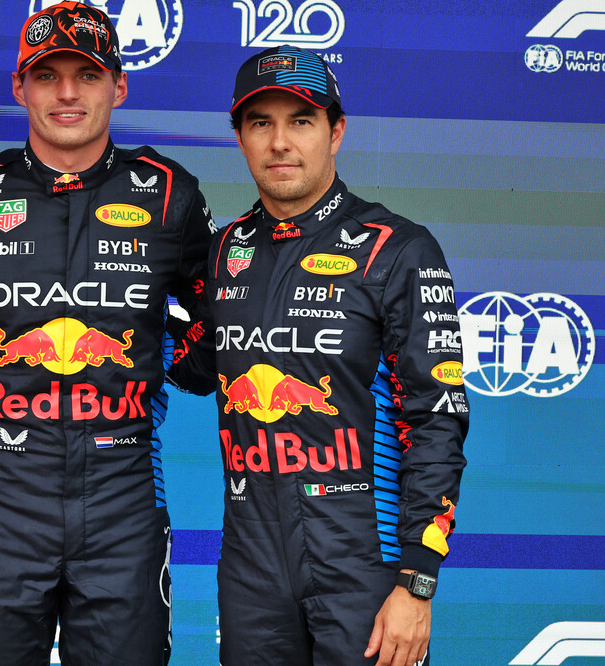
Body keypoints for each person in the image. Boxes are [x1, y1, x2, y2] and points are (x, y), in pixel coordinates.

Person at [168, 45, 469, 666]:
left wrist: (417, 582)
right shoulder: (222, 251)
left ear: (336, 131)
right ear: (240, 136)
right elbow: (198, 366)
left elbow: (436, 420)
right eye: (261, 123)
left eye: (300, 121)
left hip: (367, 562)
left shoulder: (397, 249)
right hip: (251, 567)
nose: (280, 142)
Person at [0, 2, 214, 664]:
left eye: (86, 75)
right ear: (19, 86)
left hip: (124, 496)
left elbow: (216, 331)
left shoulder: (169, 192)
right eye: (47, 74)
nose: (66, 93)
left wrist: (165, 364)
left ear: (118, 85)